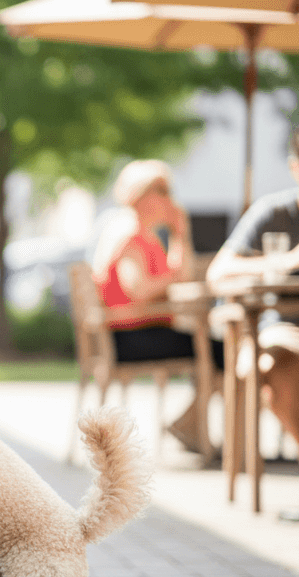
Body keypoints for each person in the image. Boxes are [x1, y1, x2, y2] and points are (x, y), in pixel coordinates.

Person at [205, 123, 299, 521]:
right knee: (272, 369)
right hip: (289, 326)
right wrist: (291, 259)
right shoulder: (272, 213)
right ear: (294, 167)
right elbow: (218, 273)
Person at [92, 159, 220, 451]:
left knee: (219, 350)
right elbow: (138, 290)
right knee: (221, 352)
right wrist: (171, 279)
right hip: (131, 336)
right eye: (162, 191)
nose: (170, 199)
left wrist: (180, 234)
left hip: (142, 330)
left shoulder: (145, 236)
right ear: (141, 195)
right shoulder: (129, 234)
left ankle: (190, 424)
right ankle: (192, 426)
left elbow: (182, 274)